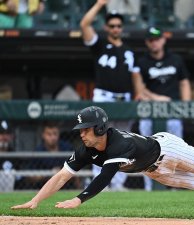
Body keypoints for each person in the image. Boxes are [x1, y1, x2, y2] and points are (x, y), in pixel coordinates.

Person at [11, 106, 194, 210]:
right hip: (152, 169)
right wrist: (35, 200)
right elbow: (61, 176)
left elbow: (105, 178)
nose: (82, 134)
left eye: (87, 129)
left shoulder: (118, 144)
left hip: (167, 149)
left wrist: (79, 199)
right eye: (81, 130)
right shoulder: (85, 149)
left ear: (100, 128)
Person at [80, 0, 137, 191]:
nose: (115, 28)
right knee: (98, 138)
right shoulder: (100, 45)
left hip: (125, 98)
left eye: (119, 26)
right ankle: (99, 181)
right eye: (112, 25)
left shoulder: (129, 50)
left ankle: (118, 183)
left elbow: (135, 76)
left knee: (122, 140)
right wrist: (99, 5)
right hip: (104, 96)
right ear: (106, 27)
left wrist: (138, 93)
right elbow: (84, 25)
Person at [133, 26, 191, 191]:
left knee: (176, 150)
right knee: (146, 151)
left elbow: (184, 82)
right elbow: (139, 90)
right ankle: (149, 187)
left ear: (163, 39)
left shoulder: (175, 59)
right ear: (147, 42)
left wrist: (186, 104)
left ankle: (175, 185)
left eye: (157, 39)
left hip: (172, 111)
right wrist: (158, 98)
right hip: (150, 112)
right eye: (151, 40)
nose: (154, 42)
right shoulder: (142, 62)